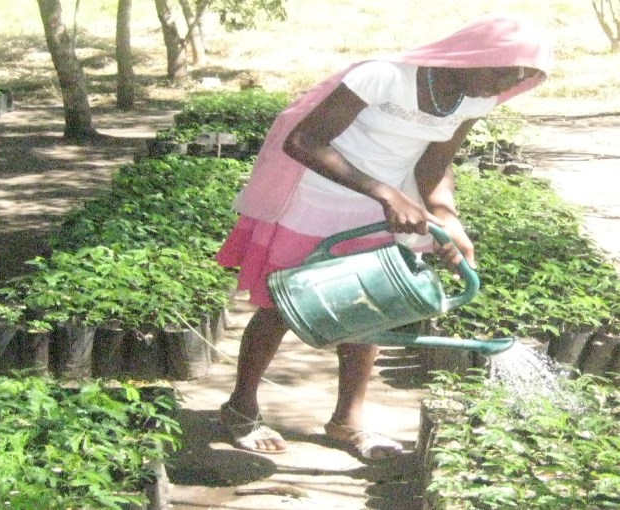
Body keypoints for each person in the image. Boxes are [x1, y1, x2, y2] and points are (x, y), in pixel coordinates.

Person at [215, 14, 553, 459]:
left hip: (379, 213)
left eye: (522, 77)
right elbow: (304, 142)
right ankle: (241, 406)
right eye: (503, 71)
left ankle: (346, 421)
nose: (507, 84)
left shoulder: (473, 101)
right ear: (470, 57)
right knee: (282, 306)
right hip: (316, 200)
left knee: (371, 310)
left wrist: (447, 216)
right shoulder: (383, 78)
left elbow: (433, 166)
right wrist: (383, 192)